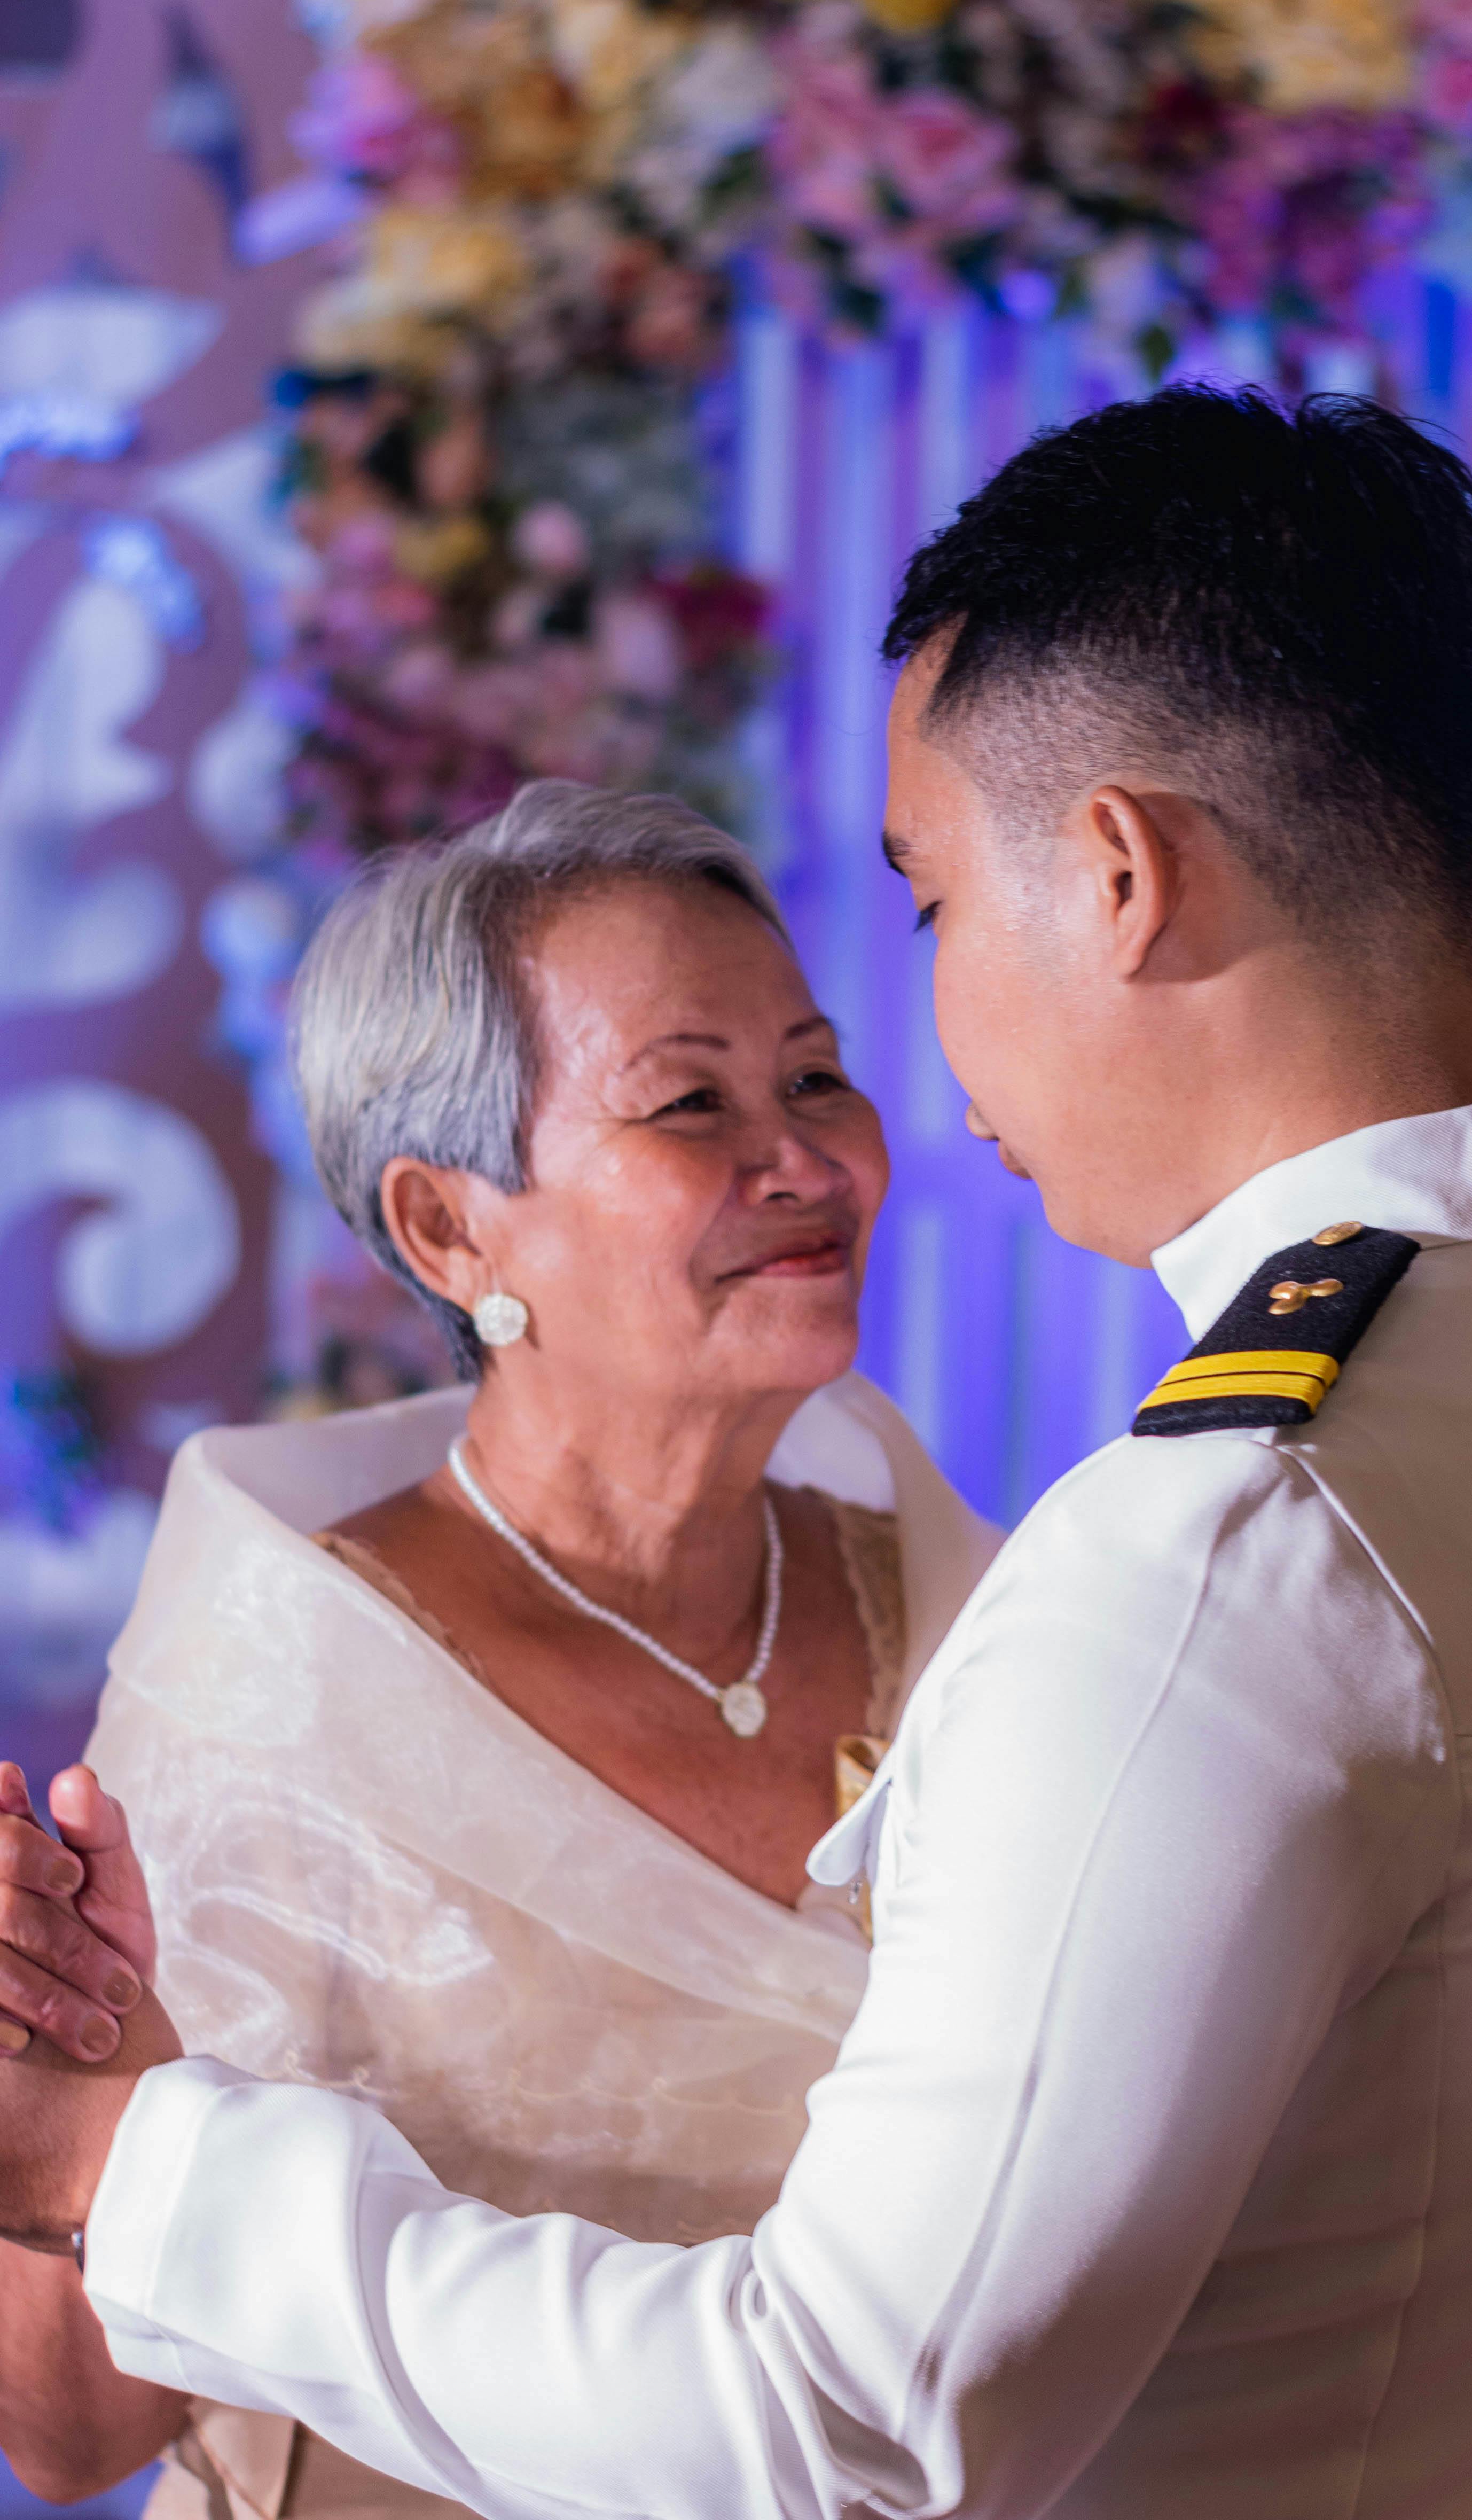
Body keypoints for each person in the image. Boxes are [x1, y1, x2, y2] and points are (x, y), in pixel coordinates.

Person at [0, 383, 1472, 2519]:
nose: (843, 1132)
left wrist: (130, 2162)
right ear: (446, 1223)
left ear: (1125, 875)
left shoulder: (1214, 1555)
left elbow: (843, 2426)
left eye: (937, 911)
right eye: (691, 1103)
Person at [0, 784, 998, 2513]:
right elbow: (73, 2436)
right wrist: (72, 2097)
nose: (812, 1161)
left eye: (815, 1075)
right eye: (693, 1100)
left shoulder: (963, 1599)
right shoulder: (289, 1678)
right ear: (453, 1230)